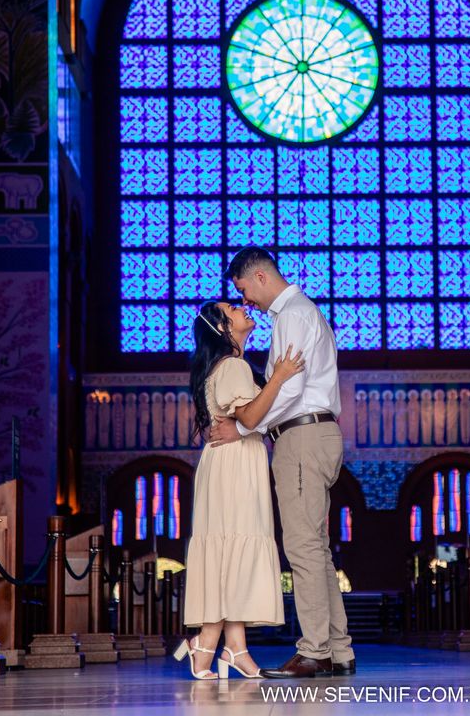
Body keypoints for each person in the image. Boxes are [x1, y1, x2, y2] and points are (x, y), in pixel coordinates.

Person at [211, 247, 355, 679]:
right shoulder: (302, 311)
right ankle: (338, 648)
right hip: (317, 435)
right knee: (316, 548)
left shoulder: (292, 314)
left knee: (303, 548)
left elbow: (287, 390)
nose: (246, 301)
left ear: (258, 276)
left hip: (301, 436)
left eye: (243, 291)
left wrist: (244, 428)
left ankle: (314, 650)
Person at [174, 300, 304, 680]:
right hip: (234, 465)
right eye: (233, 308)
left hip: (234, 459)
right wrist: (278, 377)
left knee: (232, 549)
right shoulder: (232, 366)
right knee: (234, 547)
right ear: (222, 327)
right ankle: (209, 643)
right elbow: (249, 416)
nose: (244, 308)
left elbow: (246, 420)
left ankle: (232, 646)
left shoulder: (230, 366)